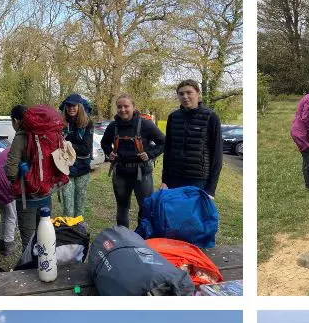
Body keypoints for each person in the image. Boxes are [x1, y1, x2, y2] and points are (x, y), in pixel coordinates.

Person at [100, 93, 166, 227]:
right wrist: (109, 153)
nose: (122, 110)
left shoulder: (146, 125)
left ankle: (143, 238)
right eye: (119, 107)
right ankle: (124, 238)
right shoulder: (113, 126)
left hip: (142, 173)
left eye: (126, 106)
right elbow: (104, 143)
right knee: (122, 207)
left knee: (145, 207)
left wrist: (150, 154)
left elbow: (163, 142)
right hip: (121, 173)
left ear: (134, 107)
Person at [161, 79, 222, 196]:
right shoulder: (173, 117)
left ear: (198, 93)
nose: (185, 96)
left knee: (193, 214)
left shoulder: (211, 117)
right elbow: (168, 150)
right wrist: (165, 180)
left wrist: (211, 189)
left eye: (189, 92)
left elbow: (217, 155)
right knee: (174, 213)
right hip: (175, 178)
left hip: (198, 180)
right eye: (181, 93)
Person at [4, 104, 52, 253]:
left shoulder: (20, 136)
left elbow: (10, 170)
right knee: (45, 237)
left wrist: (19, 180)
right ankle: (47, 265)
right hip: (46, 195)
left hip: (27, 198)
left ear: (16, 120)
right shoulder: (45, 133)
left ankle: (31, 271)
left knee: (29, 240)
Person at [59, 93, 94, 218]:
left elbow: (86, 149)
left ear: (80, 106)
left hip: (83, 170)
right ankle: (69, 233)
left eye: (74, 106)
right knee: (67, 207)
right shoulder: (60, 124)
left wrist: (68, 145)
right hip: (65, 170)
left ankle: (79, 232)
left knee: (79, 206)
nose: (71, 108)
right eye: (68, 106)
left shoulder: (87, 123)